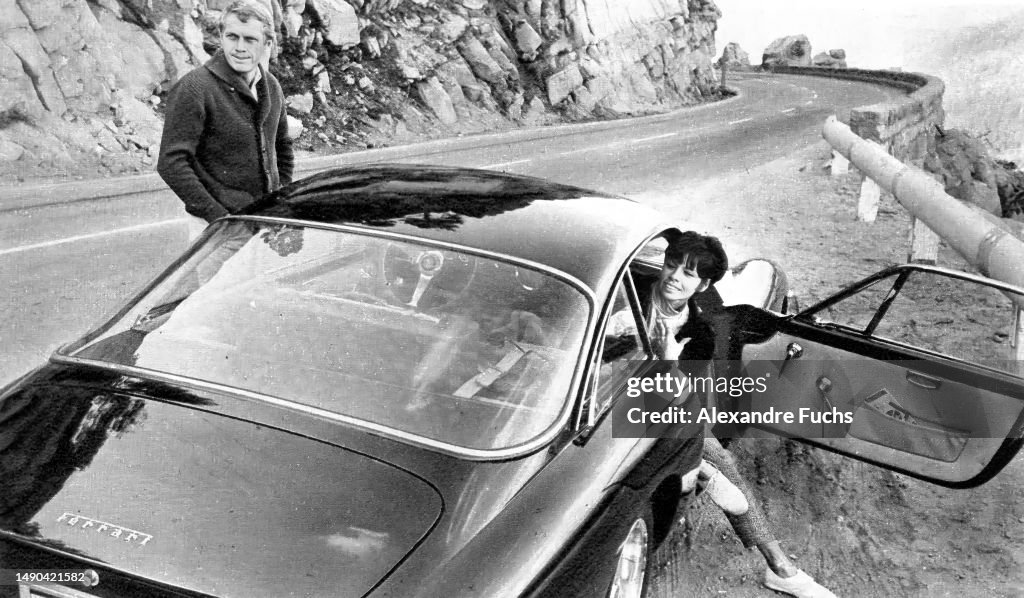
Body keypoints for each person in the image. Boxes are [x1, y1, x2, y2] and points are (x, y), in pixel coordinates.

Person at [627, 231, 837, 598]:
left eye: (689, 274)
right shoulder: (635, 294)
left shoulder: (698, 333)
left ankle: (780, 567)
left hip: (658, 408)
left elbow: (679, 399)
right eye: (672, 265)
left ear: (703, 283)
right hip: (608, 395)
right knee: (713, 459)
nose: (675, 277)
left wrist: (668, 361)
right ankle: (707, 474)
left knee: (719, 458)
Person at [157, 0, 294, 240]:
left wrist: (279, 199)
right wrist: (219, 218)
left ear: (268, 44)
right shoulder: (195, 88)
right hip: (217, 229)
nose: (239, 47)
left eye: (250, 39)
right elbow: (172, 163)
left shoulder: (271, 86)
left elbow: (282, 146)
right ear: (221, 37)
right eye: (232, 37)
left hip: (262, 223)